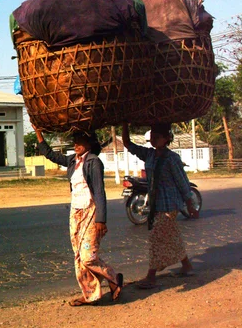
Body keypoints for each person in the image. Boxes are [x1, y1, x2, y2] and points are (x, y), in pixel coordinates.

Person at [34, 125, 123, 306]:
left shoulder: (93, 162)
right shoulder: (73, 161)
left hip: (90, 212)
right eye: (75, 141)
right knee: (78, 256)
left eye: (80, 141)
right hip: (75, 212)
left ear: (90, 143)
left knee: (88, 256)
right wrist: (38, 132)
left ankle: (113, 278)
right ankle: (90, 294)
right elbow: (51, 155)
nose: (76, 145)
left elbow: (99, 191)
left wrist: (101, 220)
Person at [122, 122, 198, 289]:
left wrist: (190, 205)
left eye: (158, 136)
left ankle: (151, 277)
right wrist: (125, 124)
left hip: (169, 205)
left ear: (166, 138)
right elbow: (128, 144)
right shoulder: (149, 155)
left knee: (156, 239)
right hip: (156, 205)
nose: (153, 139)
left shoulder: (172, 158)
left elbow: (182, 182)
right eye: (152, 136)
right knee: (171, 237)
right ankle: (187, 266)